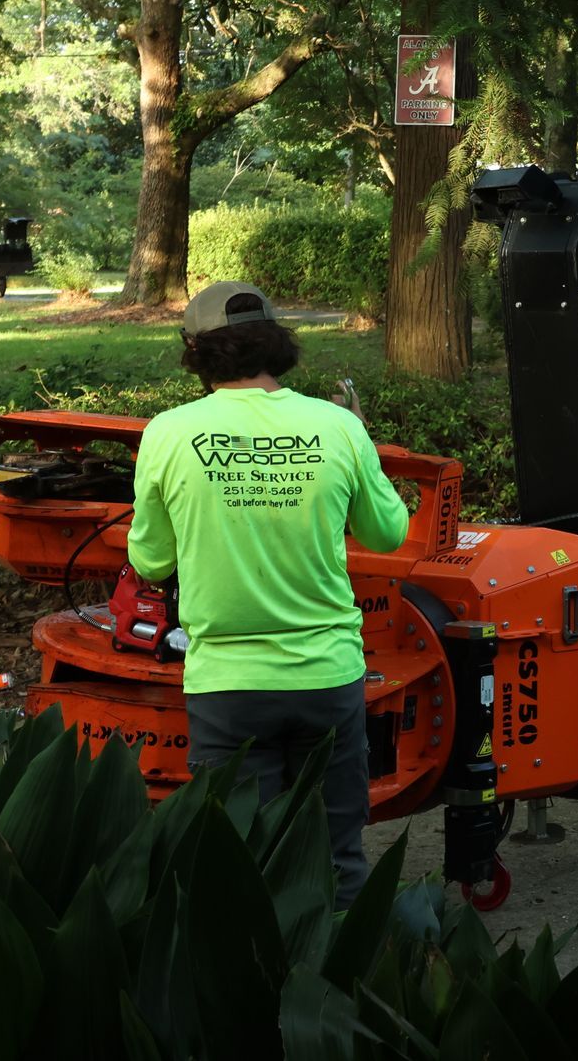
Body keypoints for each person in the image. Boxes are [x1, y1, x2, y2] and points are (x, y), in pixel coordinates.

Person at [126, 281, 409, 907]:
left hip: (227, 688)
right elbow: (387, 533)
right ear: (277, 343)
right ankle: (340, 991)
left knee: (242, 861)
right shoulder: (336, 427)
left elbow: (150, 559)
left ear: (194, 350)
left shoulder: (168, 434)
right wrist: (363, 446)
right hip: (327, 676)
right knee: (336, 857)